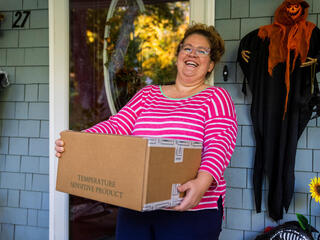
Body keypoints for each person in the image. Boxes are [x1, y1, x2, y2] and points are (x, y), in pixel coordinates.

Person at [55, 23, 238, 240]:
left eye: (202, 51)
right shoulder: (148, 95)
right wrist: (78, 141)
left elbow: (220, 143)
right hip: (137, 206)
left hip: (190, 209)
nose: (193, 54)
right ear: (178, 55)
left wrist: (203, 182)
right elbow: (116, 126)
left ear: (210, 65)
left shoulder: (216, 98)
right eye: (187, 48)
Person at [237, 0, 320, 221]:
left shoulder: (310, 32)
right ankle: (273, 200)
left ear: (302, 10)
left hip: (294, 104)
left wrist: (315, 61)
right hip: (269, 101)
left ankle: (280, 199)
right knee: (267, 144)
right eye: (289, 5)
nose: (293, 10)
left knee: (286, 148)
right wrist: (244, 50)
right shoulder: (266, 34)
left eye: (297, 6)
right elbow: (249, 45)